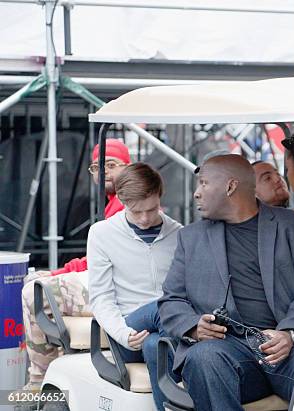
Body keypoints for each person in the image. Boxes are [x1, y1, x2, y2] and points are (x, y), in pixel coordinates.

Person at [158, 154, 294, 411]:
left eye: (203, 184)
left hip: (293, 347)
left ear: (230, 186)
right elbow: (171, 300)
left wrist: (289, 333)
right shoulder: (190, 239)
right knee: (204, 358)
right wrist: (193, 327)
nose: (196, 194)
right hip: (231, 350)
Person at [20, 138, 130, 390]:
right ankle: (56, 370)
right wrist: (57, 272)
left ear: (129, 166)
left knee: (33, 293)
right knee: (38, 284)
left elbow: (99, 263)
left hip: (116, 290)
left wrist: (54, 274)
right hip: (109, 282)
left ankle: (39, 381)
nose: (103, 171)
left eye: (111, 164)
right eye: (96, 167)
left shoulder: (126, 204)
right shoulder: (115, 203)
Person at [88, 163, 183, 411]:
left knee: (155, 346)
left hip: (165, 332)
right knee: (163, 307)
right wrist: (123, 334)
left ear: (160, 196)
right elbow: (101, 298)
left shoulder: (178, 234)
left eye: (151, 210)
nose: (144, 219)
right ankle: (189, 350)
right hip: (129, 331)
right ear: (121, 199)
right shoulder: (101, 234)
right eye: (136, 211)